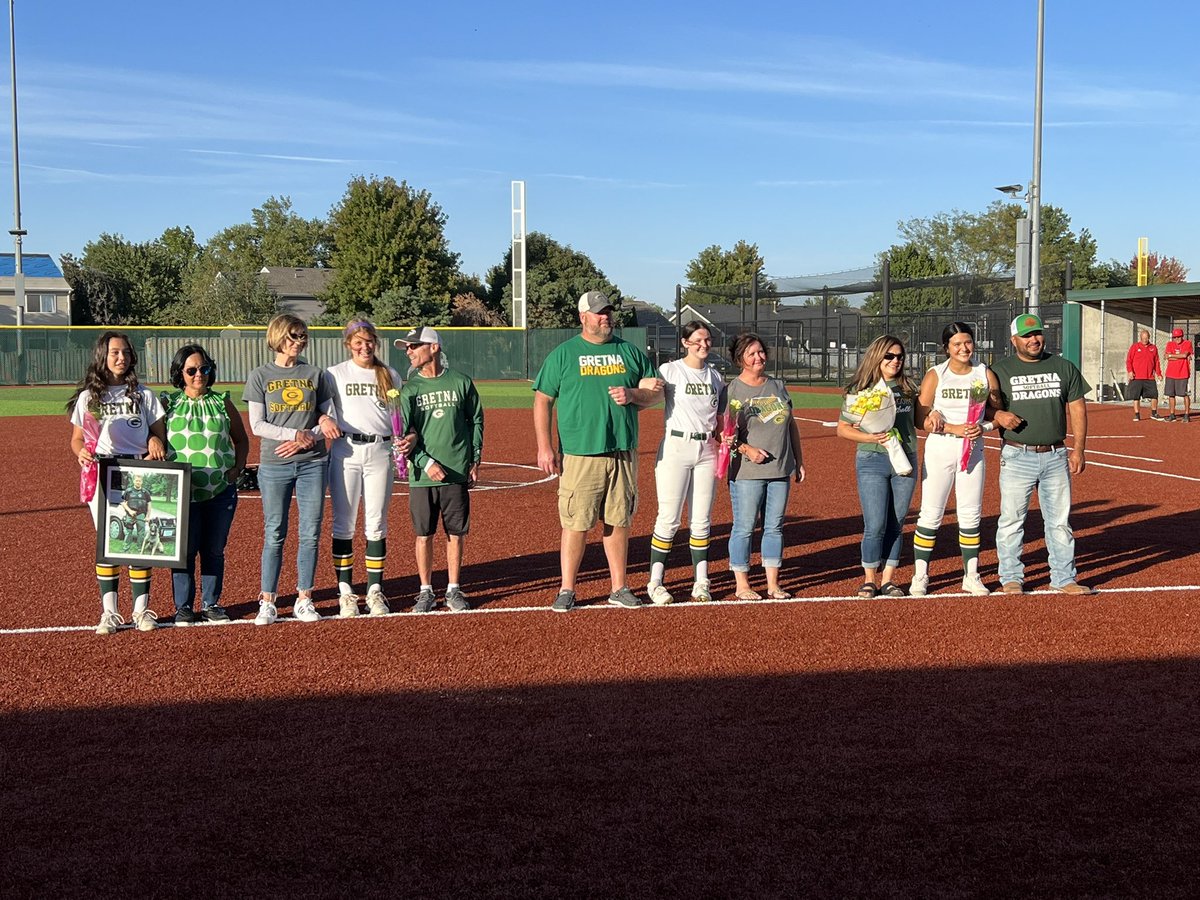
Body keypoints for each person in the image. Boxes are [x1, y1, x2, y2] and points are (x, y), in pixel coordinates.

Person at [533, 290, 662, 612]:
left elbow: (655, 392)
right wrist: (545, 446)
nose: (606, 317)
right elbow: (543, 400)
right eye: (599, 313)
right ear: (583, 317)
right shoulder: (564, 354)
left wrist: (633, 394)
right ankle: (567, 588)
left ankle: (619, 586)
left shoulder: (628, 352)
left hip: (621, 449)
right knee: (576, 522)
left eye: (608, 312)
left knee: (619, 520)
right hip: (580, 453)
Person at [68, 331, 167, 635]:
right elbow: (76, 439)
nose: (121, 358)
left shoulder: (144, 395)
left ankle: (140, 610)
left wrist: (153, 440)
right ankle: (109, 611)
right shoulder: (89, 397)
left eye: (125, 352)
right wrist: (81, 452)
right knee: (109, 541)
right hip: (103, 469)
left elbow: (159, 436)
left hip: (138, 469)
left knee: (138, 539)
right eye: (114, 353)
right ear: (102, 356)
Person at [244, 314, 337, 626]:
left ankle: (304, 598)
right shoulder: (260, 375)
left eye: (302, 336)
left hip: (312, 462)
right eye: (293, 336)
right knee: (275, 532)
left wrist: (305, 439)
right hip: (274, 464)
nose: (299, 342)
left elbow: (330, 421)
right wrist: (291, 435)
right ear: (278, 337)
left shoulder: (315, 374)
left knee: (310, 532)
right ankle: (268, 600)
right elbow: (257, 425)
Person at [991, 313, 1094, 595]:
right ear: (1014, 341)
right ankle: (1011, 578)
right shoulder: (999, 370)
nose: (1034, 339)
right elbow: (983, 408)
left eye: (1037, 333)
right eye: (1027, 336)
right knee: (1011, 520)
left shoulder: (1063, 367)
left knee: (1059, 522)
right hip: (1016, 455)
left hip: (1055, 455)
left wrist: (1079, 449)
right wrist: (998, 413)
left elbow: (1077, 408)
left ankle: (1064, 578)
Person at [394, 326, 484, 613]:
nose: (408, 351)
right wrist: (425, 463)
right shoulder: (410, 389)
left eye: (413, 346)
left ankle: (454, 589)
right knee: (424, 534)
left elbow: (476, 420)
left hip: (456, 471)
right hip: (423, 477)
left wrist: (475, 458)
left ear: (433, 347)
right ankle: (425, 591)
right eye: (407, 348)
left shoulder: (461, 382)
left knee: (455, 533)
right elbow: (404, 436)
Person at [162, 344, 249, 625]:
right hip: (182, 493)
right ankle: (183, 607)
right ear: (180, 373)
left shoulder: (222, 402)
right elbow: (153, 440)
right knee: (184, 551)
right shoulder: (169, 405)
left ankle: (212, 603)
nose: (198, 374)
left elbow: (241, 439)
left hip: (220, 491)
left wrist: (237, 468)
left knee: (213, 549)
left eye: (204, 368)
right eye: (191, 370)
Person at [911, 323, 1001, 597]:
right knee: (931, 513)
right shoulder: (936, 374)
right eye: (957, 344)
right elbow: (919, 419)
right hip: (941, 449)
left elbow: (997, 414)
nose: (964, 348)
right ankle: (920, 575)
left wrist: (983, 428)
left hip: (973, 450)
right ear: (946, 347)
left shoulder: (984, 374)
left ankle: (971, 575)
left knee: (971, 513)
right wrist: (944, 423)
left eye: (968, 342)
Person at [324, 318, 403, 618]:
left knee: (376, 523)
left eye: (368, 340)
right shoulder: (335, 374)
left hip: (380, 451)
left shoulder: (389, 374)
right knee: (344, 523)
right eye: (358, 341)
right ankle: (345, 592)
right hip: (346, 450)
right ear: (349, 345)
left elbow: (398, 417)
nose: (364, 346)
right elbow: (321, 409)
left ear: (375, 342)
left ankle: (374, 590)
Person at [646, 322, 725, 605]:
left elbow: (720, 419)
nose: (704, 345)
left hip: (707, 449)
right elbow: (648, 390)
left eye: (707, 340)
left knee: (701, 521)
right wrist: (643, 385)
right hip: (676, 447)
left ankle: (701, 581)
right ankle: (655, 582)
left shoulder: (716, 377)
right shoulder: (670, 370)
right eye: (698, 340)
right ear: (685, 343)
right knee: (669, 519)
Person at [724, 332, 804, 601]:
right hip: (747, 471)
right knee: (744, 527)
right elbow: (721, 432)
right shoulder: (733, 390)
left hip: (780, 469)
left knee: (774, 527)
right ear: (740, 360)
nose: (758, 357)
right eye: (751, 354)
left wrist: (799, 461)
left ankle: (772, 584)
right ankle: (742, 584)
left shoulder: (777, 385)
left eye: (760, 352)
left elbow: (791, 424)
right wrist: (747, 450)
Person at [836, 334, 917, 599]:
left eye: (900, 356)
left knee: (897, 522)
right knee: (875, 524)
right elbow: (843, 430)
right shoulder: (860, 389)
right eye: (890, 356)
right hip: (871, 459)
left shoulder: (908, 388)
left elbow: (921, 420)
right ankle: (869, 579)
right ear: (877, 357)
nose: (896, 361)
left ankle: (889, 580)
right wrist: (870, 437)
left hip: (904, 459)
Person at [1124, 329, 1163, 422]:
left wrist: (1159, 374)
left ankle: (1154, 413)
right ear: (1140, 338)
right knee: (1136, 397)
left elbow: (1156, 362)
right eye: (1143, 338)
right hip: (1137, 377)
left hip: (1149, 377)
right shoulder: (1134, 347)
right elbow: (1129, 360)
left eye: (1146, 338)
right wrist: (1130, 371)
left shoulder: (1153, 348)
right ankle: (1137, 415)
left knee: (1154, 395)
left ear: (1149, 338)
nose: (1145, 340)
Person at [1163, 327, 1193, 422]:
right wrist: (1179, 357)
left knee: (1184, 394)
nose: (1177, 339)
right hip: (1170, 373)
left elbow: (1184, 355)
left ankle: (1186, 414)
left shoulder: (1187, 343)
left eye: (1179, 337)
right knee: (1171, 395)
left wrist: (1172, 355)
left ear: (1182, 336)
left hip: (1183, 374)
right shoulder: (1169, 344)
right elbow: (1166, 357)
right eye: (1175, 337)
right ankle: (1172, 414)